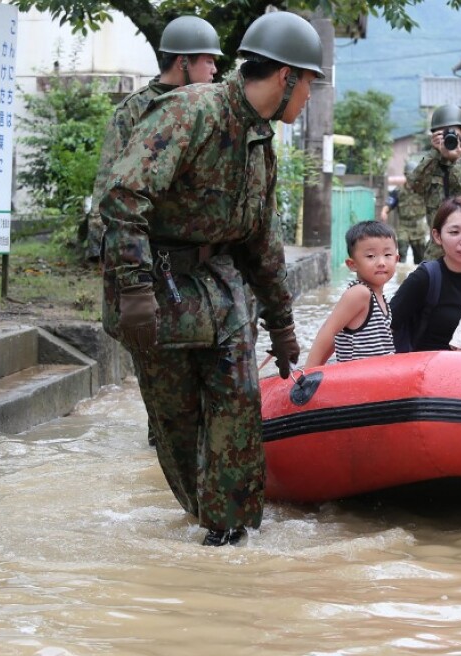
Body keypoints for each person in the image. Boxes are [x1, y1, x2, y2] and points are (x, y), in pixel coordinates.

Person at [99, 11, 324, 547]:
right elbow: (123, 196)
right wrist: (133, 288)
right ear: (285, 75)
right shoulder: (190, 112)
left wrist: (283, 325)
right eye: (309, 83)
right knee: (176, 429)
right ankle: (206, 525)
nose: (309, 96)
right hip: (160, 294)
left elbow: (259, 241)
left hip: (220, 295)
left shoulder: (259, 144)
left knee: (239, 417)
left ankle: (230, 540)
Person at [84, 15, 223, 262]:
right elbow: (109, 179)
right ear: (182, 62)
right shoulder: (135, 109)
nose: (215, 70)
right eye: (209, 61)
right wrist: (101, 244)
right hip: (146, 249)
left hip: (201, 256)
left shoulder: (213, 109)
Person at [390, 196, 461, 351]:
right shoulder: (424, 278)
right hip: (427, 369)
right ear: (437, 236)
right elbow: (387, 327)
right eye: (454, 232)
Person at [303, 221, 398, 367]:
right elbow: (328, 331)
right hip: (357, 381)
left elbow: (338, 337)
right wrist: (308, 374)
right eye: (371, 256)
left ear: (396, 259)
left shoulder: (381, 299)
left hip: (377, 379)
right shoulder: (360, 293)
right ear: (352, 264)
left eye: (387, 254)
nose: (381, 262)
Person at [404, 104, 461, 224]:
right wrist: (434, 153)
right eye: (442, 133)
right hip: (438, 239)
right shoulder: (431, 162)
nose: (448, 136)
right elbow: (415, 186)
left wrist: (457, 161)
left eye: (452, 131)